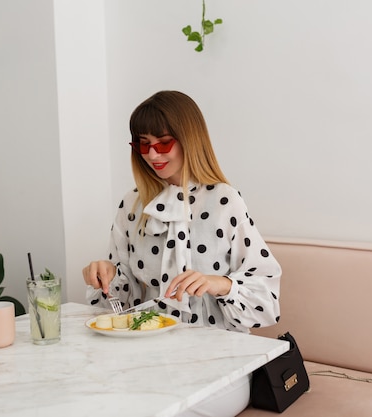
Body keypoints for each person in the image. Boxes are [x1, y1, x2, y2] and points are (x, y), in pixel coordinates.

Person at [82, 90, 281, 416]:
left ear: (189, 139)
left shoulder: (224, 201)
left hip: (218, 364)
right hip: (148, 356)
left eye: (162, 143)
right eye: (142, 144)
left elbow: (267, 299)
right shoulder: (133, 205)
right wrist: (107, 274)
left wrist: (220, 284)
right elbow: (119, 302)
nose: (152, 154)